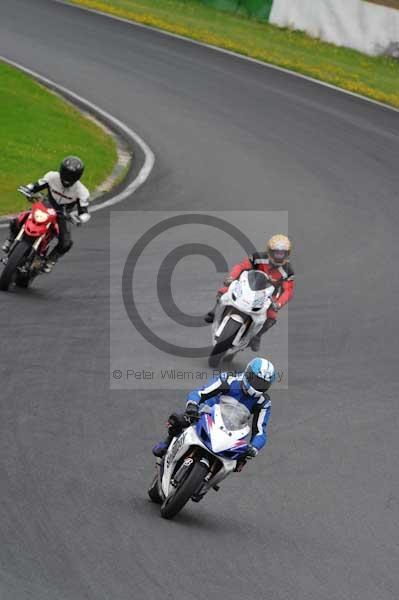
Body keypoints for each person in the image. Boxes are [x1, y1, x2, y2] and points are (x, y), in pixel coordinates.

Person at [152, 357, 275, 469]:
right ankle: (167, 442)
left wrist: (254, 447)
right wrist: (192, 405)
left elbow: (260, 431)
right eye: (256, 380)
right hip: (208, 415)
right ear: (248, 373)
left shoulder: (263, 402)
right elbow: (201, 392)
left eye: (262, 384)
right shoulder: (229, 379)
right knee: (179, 419)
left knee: (239, 462)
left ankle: (204, 487)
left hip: (232, 433)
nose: (257, 386)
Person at [205, 234, 295, 351]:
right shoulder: (257, 257)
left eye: (282, 253)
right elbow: (241, 266)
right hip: (247, 285)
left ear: (287, 254)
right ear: (270, 252)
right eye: (276, 253)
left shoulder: (288, 271)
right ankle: (214, 312)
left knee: (271, 316)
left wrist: (278, 304)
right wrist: (232, 277)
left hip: (268, 295)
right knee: (224, 291)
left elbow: (288, 290)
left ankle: (257, 336)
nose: (279, 257)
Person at [2, 156, 91, 272]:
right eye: (66, 173)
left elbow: (85, 212)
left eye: (72, 176)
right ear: (61, 170)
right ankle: (11, 239)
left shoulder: (82, 191)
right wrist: (28, 189)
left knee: (66, 242)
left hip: (62, 215)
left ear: (78, 176)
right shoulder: (52, 177)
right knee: (17, 219)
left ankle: (51, 260)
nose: (68, 178)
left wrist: (80, 219)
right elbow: (36, 185)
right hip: (44, 206)